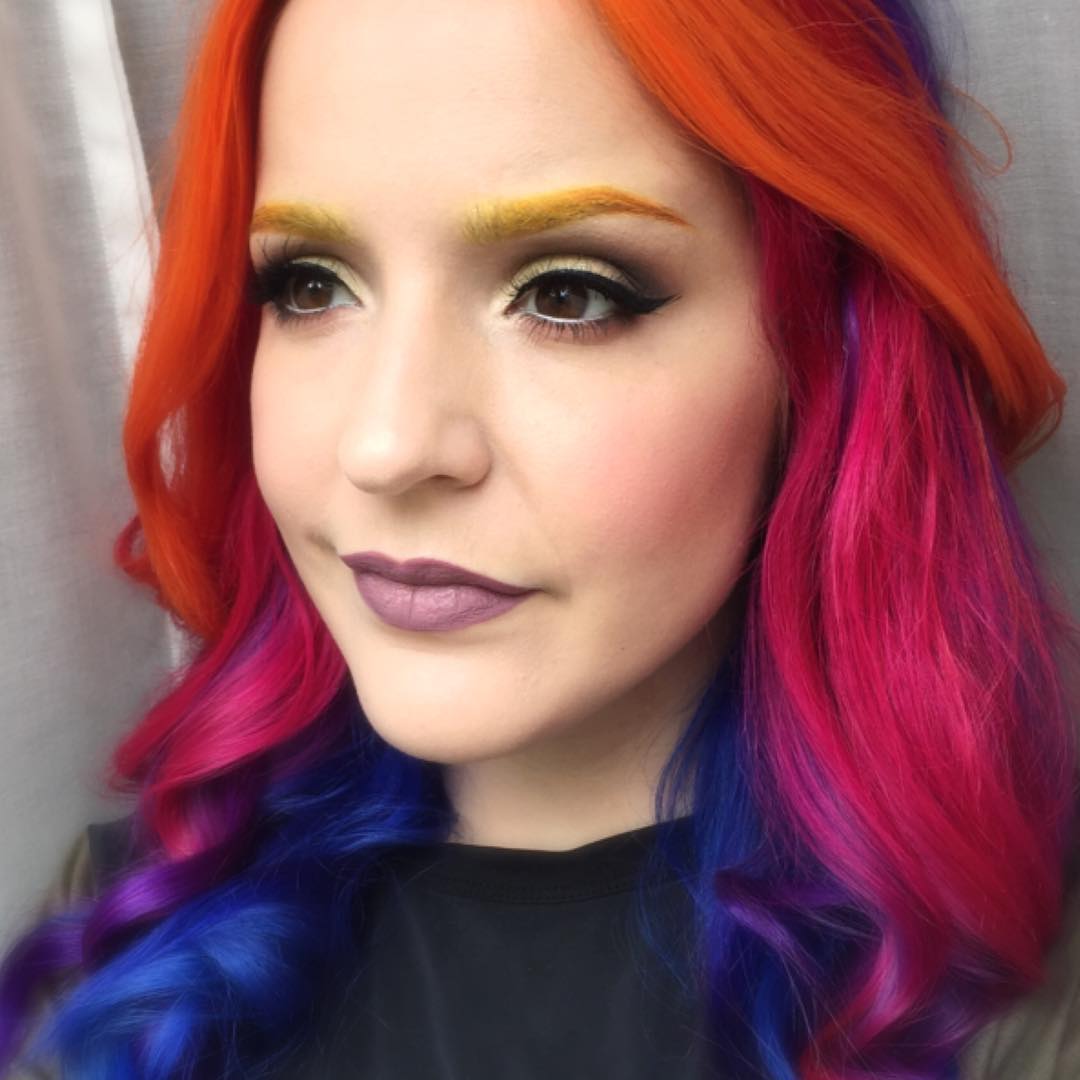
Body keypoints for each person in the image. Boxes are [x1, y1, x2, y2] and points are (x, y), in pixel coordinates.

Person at [1, 0, 1077, 1076]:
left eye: (567, 294)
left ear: (828, 358)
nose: (386, 447)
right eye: (311, 284)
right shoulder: (134, 939)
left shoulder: (1011, 1007)